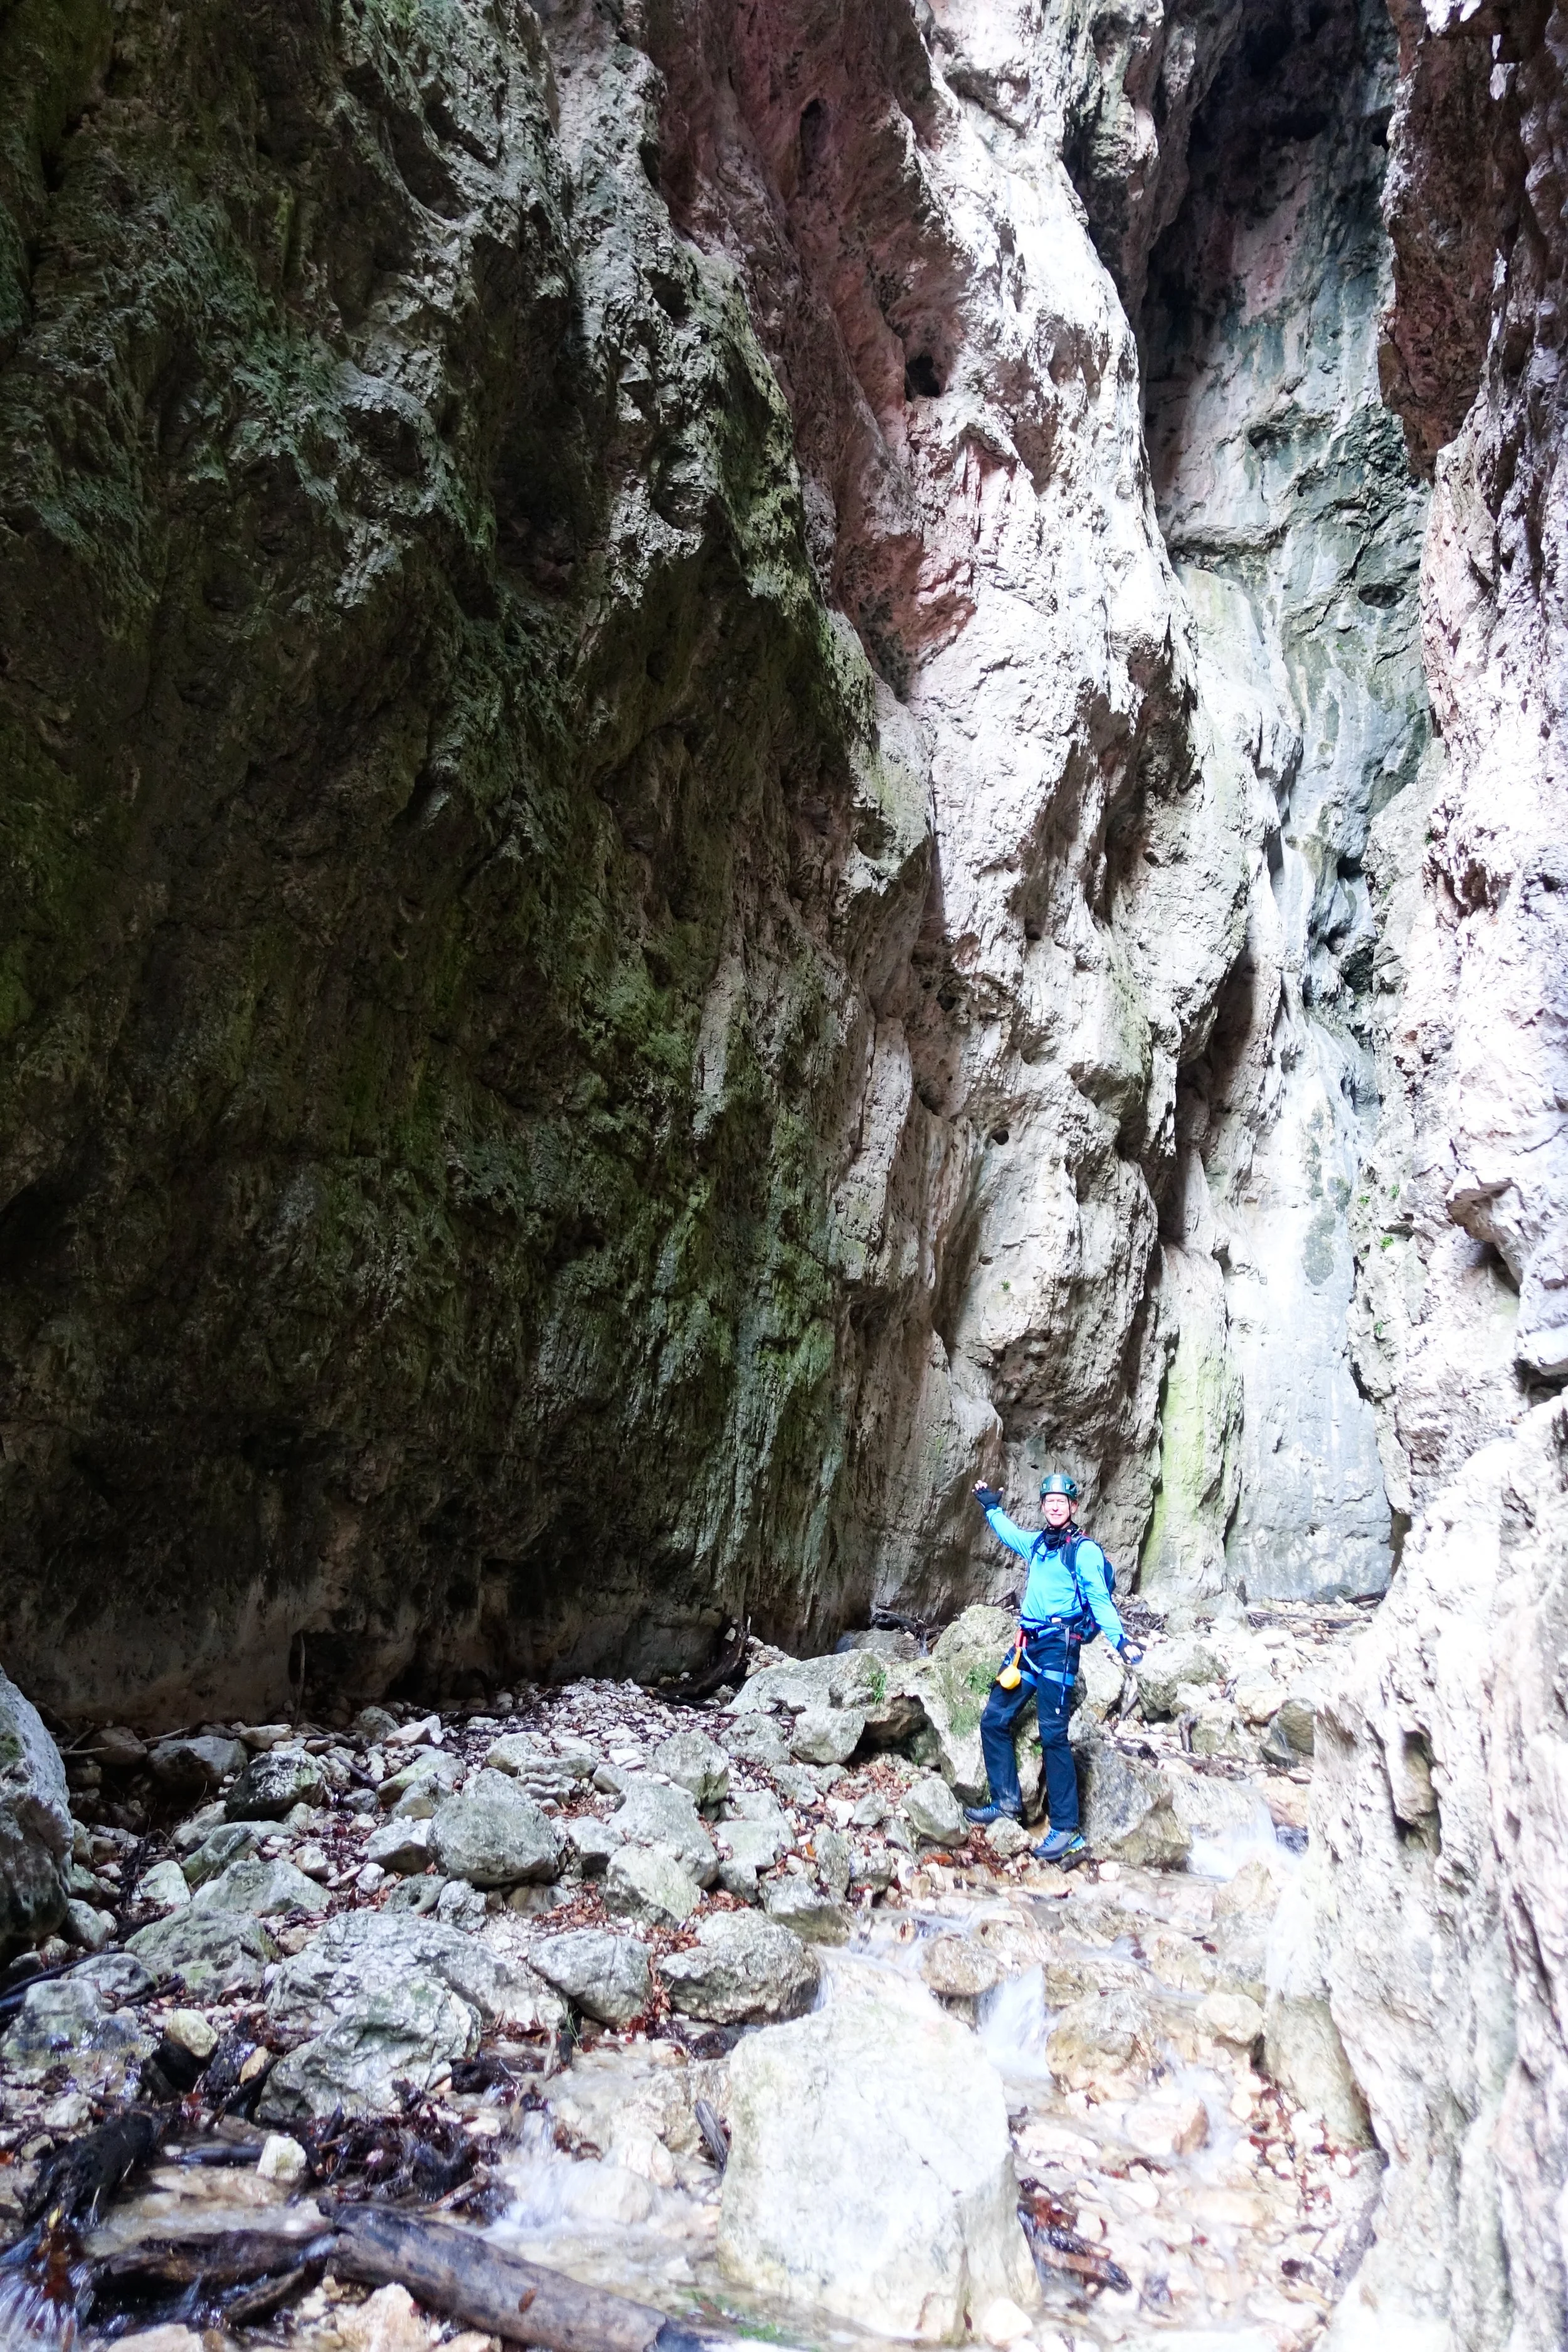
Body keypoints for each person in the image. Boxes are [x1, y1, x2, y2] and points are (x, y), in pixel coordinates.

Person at [965, 1471, 1144, 1867]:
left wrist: (1121, 1641)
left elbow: (1099, 1598)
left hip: (1060, 1651)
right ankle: (1007, 1803)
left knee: (1053, 1736)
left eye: (1061, 1501)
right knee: (994, 1718)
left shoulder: (1084, 1551)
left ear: (1074, 1507)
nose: (1054, 1505)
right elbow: (1011, 1535)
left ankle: (1068, 1830)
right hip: (1029, 1646)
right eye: (1049, 1501)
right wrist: (992, 1509)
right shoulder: (1040, 1545)